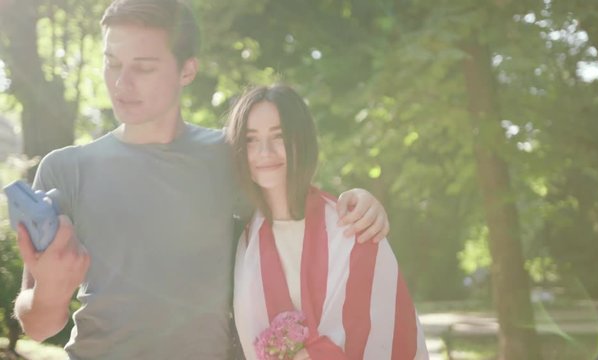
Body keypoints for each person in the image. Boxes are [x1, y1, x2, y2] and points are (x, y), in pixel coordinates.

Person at [12, 1, 389, 358]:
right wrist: (48, 292)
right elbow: (40, 328)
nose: (121, 83)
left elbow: (299, 218)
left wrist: (358, 199)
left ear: (187, 71)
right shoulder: (66, 170)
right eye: (112, 63)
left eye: (143, 67)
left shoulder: (232, 157)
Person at [228, 85, 428, 359]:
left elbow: (389, 333)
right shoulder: (240, 237)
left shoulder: (351, 226)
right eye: (251, 140)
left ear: (303, 141)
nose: (264, 152)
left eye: (279, 136)